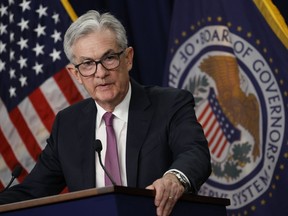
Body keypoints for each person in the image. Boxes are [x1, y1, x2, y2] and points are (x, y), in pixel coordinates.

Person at [0, 10, 211, 216]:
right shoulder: (68, 124)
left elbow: (195, 153)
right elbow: (33, 191)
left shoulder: (170, 104)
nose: (100, 73)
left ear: (128, 58)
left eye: (109, 58)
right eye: (88, 64)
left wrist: (174, 179)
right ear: (76, 74)